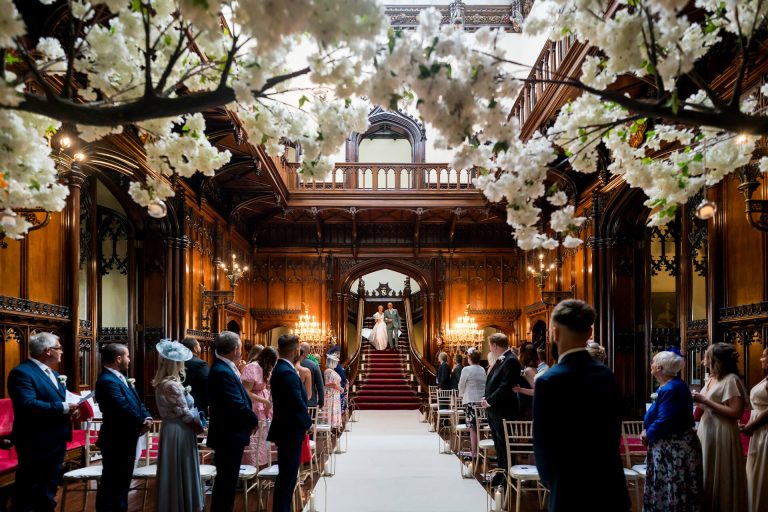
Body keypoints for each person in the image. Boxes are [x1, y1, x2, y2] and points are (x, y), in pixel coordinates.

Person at [533, 300, 629, 512]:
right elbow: (613, 433)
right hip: (609, 485)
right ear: (589, 332)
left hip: (569, 488)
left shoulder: (548, 381)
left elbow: (543, 444)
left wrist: (553, 482)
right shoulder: (606, 375)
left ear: (555, 334)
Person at [8, 332, 79, 512]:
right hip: (36, 439)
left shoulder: (53, 373)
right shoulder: (22, 373)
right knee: (30, 488)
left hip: (56, 438)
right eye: (59, 348)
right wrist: (63, 407)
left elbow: (59, 399)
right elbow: (27, 405)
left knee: (49, 487)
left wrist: (73, 411)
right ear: (48, 351)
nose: (61, 351)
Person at [641, 350, 703, 512]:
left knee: (673, 486)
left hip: (675, 447)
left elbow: (665, 420)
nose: (651, 365)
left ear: (660, 368)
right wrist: (646, 429)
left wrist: (649, 433)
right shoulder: (671, 386)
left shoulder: (671, 389)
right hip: (670, 444)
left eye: (653, 362)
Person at [95, 343, 152, 512]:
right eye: (127, 356)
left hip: (126, 437)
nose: (129, 360)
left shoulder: (120, 377)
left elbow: (137, 403)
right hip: (116, 439)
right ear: (118, 359)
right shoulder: (107, 381)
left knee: (123, 483)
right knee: (112, 483)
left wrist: (147, 417)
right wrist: (140, 422)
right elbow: (121, 407)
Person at [693, 342, 748, 512]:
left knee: (722, 473)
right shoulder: (711, 378)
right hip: (706, 430)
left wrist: (705, 401)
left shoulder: (731, 380)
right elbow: (703, 405)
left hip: (722, 431)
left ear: (715, 360)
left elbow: (736, 412)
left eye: (706, 357)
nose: (703, 361)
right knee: (706, 472)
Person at [208, 331, 259, 512]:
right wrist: (254, 420)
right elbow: (236, 404)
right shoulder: (222, 371)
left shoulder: (226, 366)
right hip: (227, 434)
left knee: (228, 482)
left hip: (230, 433)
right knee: (226, 482)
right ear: (235, 349)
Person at [153, 340, 205, 511]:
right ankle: (179, 504)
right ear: (175, 363)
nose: (183, 363)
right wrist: (201, 427)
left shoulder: (166, 382)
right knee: (178, 468)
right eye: (180, 361)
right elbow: (184, 413)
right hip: (178, 430)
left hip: (175, 428)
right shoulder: (171, 385)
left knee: (177, 468)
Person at [268, 334, 312, 512]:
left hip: (287, 429)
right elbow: (296, 403)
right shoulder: (286, 371)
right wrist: (307, 423)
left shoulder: (282, 368)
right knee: (287, 478)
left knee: (287, 477)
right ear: (295, 351)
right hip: (289, 430)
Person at [480, 333, 525, 487]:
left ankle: (507, 478)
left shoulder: (511, 360)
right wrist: (486, 399)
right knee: (498, 445)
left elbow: (505, 386)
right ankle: (500, 474)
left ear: (495, 345)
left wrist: (490, 400)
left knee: (505, 445)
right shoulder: (502, 360)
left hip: (504, 410)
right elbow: (493, 382)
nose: (490, 349)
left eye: (491, 346)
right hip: (495, 410)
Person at [241, 346, 277, 467]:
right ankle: (252, 466)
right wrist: (265, 401)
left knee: (263, 437)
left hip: (263, 403)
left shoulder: (264, 368)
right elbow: (246, 391)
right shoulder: (252, 367)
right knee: (255, 438)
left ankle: (262, 465)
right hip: (253, 404)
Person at [742, 348, 768, 512]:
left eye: (765, 355)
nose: (761, 358)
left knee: (762, 475)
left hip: (764, 430)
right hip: (760, 430)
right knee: (757, 473)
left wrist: (753, 424)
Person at [458, 349, 486, 458]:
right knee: (481, 426)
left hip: (470, 400)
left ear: (469, 359)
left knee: (472, 427)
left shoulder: (466, 369)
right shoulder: (482, 369)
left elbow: (461, 384)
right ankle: (481, 451)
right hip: (481, 401)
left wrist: (461, 394)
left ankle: (474, 452)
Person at [181, 337, 209, 418]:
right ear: (195, 348)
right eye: (199, 345)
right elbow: (207, 384)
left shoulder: (177, 362)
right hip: (197, 404)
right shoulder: (200, 364)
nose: (200, 347)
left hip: (179, 403)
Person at [513, 344, 538, 420]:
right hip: (527, 405)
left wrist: (520, 389)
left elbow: (536, 391)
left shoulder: (528, 370)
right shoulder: (529, 368)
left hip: (528, 407)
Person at [299, 342, 325, 409]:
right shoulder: (314, 365)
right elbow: (320, 385)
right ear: (309, 351)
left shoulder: (293, 364)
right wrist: (321, 402)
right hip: (310, 402)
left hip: (295, 402)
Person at [323, 353, 344, 430]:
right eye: (335, 362)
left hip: (334, 393)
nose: (337, 363)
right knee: (330, 409)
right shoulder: (328, 371)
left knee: (333, 409)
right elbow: (330, 383)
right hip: (331, 393)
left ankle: (331, 428)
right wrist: (341, 388)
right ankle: (329, 427)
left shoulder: (331, 370)